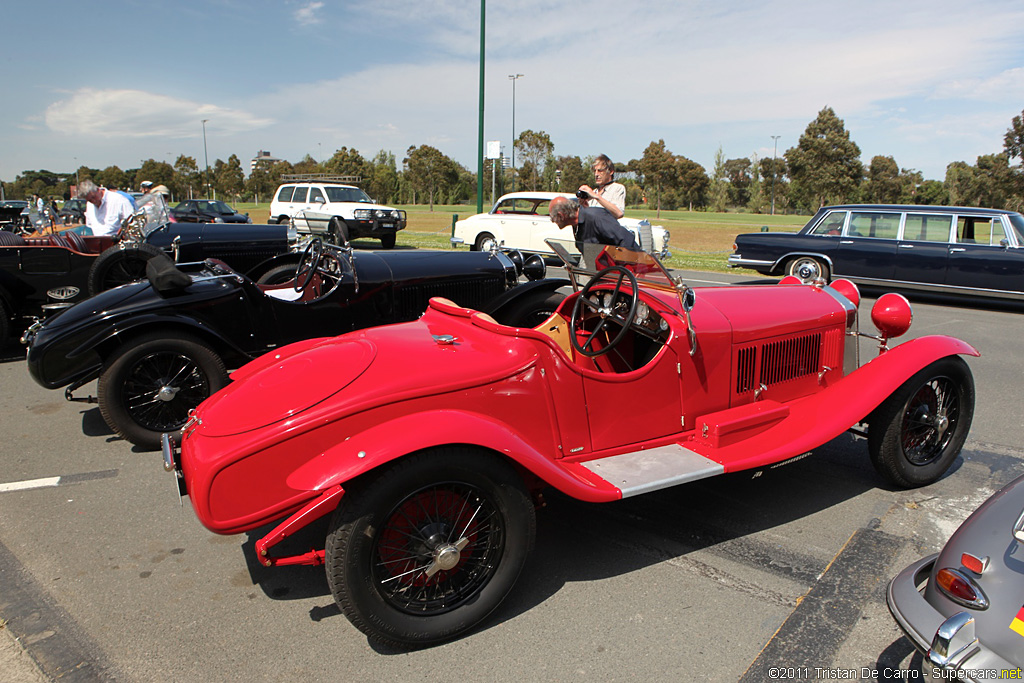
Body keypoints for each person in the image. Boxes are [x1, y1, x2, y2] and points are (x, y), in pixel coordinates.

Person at [549, 195, 639, 250]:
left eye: (553, 218)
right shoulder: (577, 226)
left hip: (630, 272)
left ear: (561, 215)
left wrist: (620, 271)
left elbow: (625, 240)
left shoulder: (596, 217)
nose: (553, 221)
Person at [577, 154, 625, 219]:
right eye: (594, 171)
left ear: (611, 172)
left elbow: (619, 213)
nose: (596, 174)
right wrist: (584, 205)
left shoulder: (617, 188)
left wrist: (597, 197)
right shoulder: (594, 192)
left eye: (600, 171)